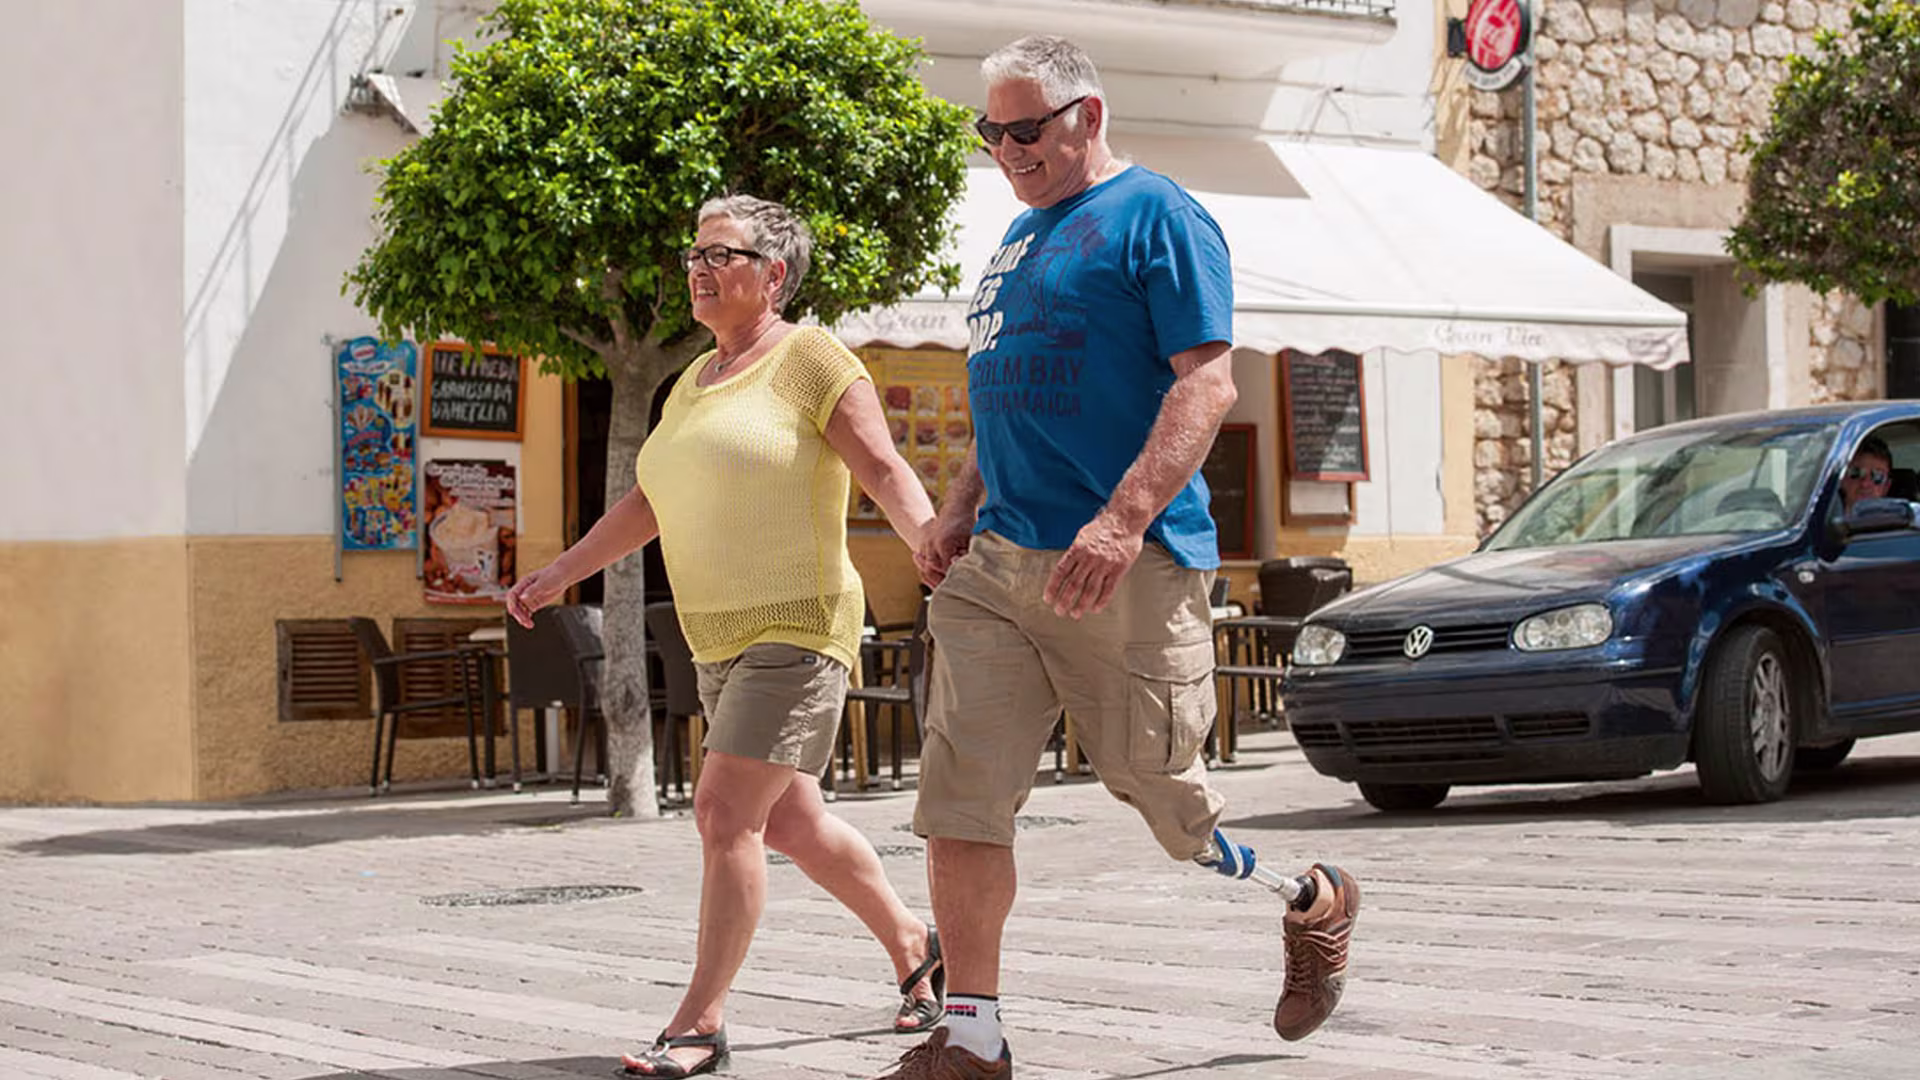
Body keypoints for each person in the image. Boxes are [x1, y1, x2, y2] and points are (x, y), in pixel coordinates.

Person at [882, 37, 1361, 1079]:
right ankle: (972, 1034)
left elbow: (1207, 385)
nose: (1006, 151)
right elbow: (1004, 406)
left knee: (1164, 797)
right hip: (999, 571)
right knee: (959, 796)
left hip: (1127, 566)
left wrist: (1121, 519)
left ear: (1087, 117)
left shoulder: (1162, 216)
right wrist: (960, 507)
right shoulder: (1014, 239)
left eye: (1026, 130)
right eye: (991, 132)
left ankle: (1309, 898)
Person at [505, 194, 946, 1078]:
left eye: (721, 254)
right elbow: (649, 502)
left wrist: (937, 551)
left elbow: (883, 466)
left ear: (772, 274)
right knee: (792, 823)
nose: (699, 270)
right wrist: (563, 571)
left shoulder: (814, 358)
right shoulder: (687, 385)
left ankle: (700, 1025)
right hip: (717, 638)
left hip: (799, 623)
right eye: (693, 255)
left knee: (721, 812)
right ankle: (915, 943)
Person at [1840, 435, 1893, 511]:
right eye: (1856, 473)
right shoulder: (1820, 518)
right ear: (1842, 480)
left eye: (1877, 476)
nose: (1865, 484)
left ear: (1887, 486)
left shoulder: (1897, 522)